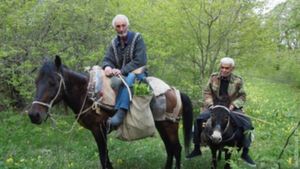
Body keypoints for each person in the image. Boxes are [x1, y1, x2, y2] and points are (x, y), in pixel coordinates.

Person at [186, 57, 256, 167]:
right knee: (198, 120)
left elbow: (243, 96)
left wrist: (234, 105)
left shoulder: (238, 80)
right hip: (215, 106)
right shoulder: (214, 77)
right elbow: (207, 92)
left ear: (232, 68)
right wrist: (210, 104)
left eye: (227, 68)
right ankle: (196, 148)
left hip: (231, 107)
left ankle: (245, 153)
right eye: (222, 67)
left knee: (247, 123)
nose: (224, 70)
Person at [102, 14, 147, 131]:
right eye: (118, 26)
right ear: (115, 28)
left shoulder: (137, 38)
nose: (121, 29)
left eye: (123, 25)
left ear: (127, 25)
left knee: (131, 77)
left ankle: (119, 115)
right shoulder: (113, 43)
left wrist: (121, 70)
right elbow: (107, 59)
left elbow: (140, 60)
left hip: (139, 74)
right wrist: (107, 67)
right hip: (121, 75)